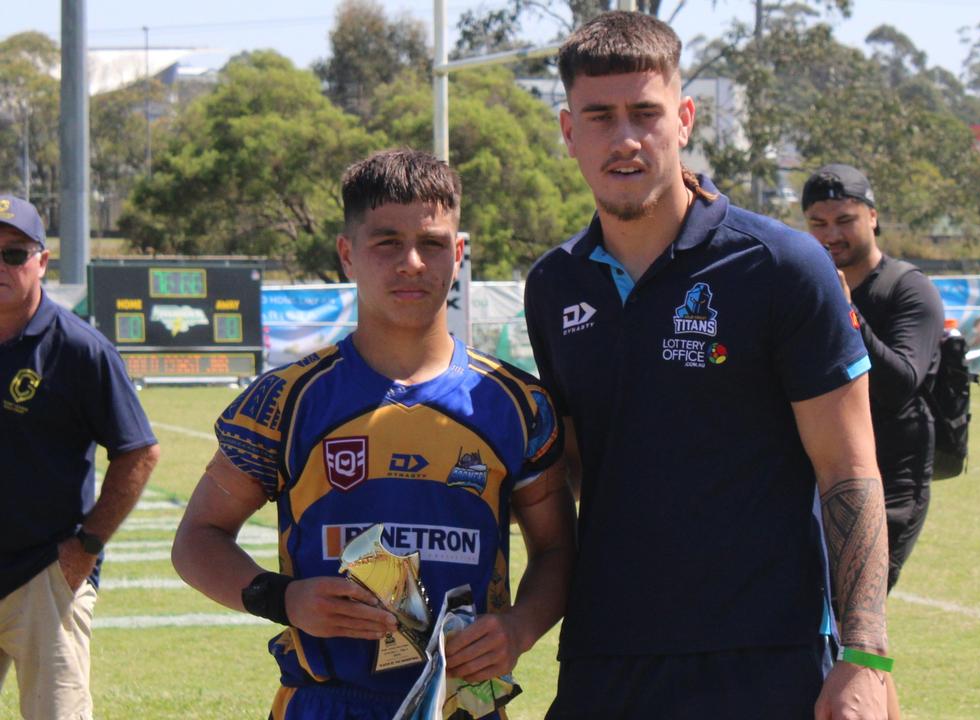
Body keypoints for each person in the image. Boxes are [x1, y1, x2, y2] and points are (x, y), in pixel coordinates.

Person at [523, 13, 891, 719]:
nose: (625, 138)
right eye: (599, 116)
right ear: (569, 132)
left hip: (767, 654)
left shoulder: (783, 266)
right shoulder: (555, 284)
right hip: (607, 653)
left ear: (684, 119)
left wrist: (866, 655)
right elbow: (566, 475)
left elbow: (848, 470)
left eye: (646, 113)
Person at [171, 150, 575, 720]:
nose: (411, 262)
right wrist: (281, 597)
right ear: (347, 255)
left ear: (458, 255)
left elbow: (558, 549)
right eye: (386, 242)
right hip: (325, 701)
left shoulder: (515, 403)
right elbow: (197, 539)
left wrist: (519, 626)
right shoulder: (288, 399)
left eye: (432, 243)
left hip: (463, 703)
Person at [0, 194, 160, 719]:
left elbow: (138, 451)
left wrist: (86, 546)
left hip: (44, 574)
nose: (2, 265)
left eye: (13, 253)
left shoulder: (78, 347)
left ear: (42, 261)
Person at [803, 165, 945, 716]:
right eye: (817, 223)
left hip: (891, 486)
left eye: (845, 220)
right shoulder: (809, 287)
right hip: (826, 478)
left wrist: (847, 311)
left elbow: (900, 384)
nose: (831, 234)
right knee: (843, 627)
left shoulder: (908, 290)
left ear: (873, 218)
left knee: (857, 624)